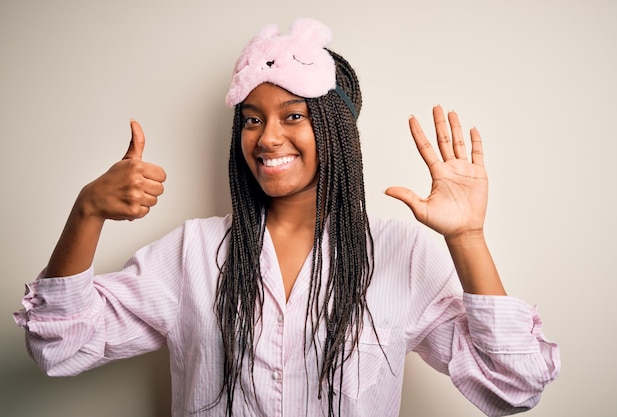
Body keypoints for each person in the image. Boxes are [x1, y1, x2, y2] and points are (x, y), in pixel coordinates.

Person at [13, 18, 560, 417]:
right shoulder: (193, 254)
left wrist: (467, 237)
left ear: (335, 129)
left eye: (292, 115)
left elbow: (512, 386)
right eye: (252, 120)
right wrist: (86, 212)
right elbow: (62, 348)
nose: (268, 137)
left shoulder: (400, 254)